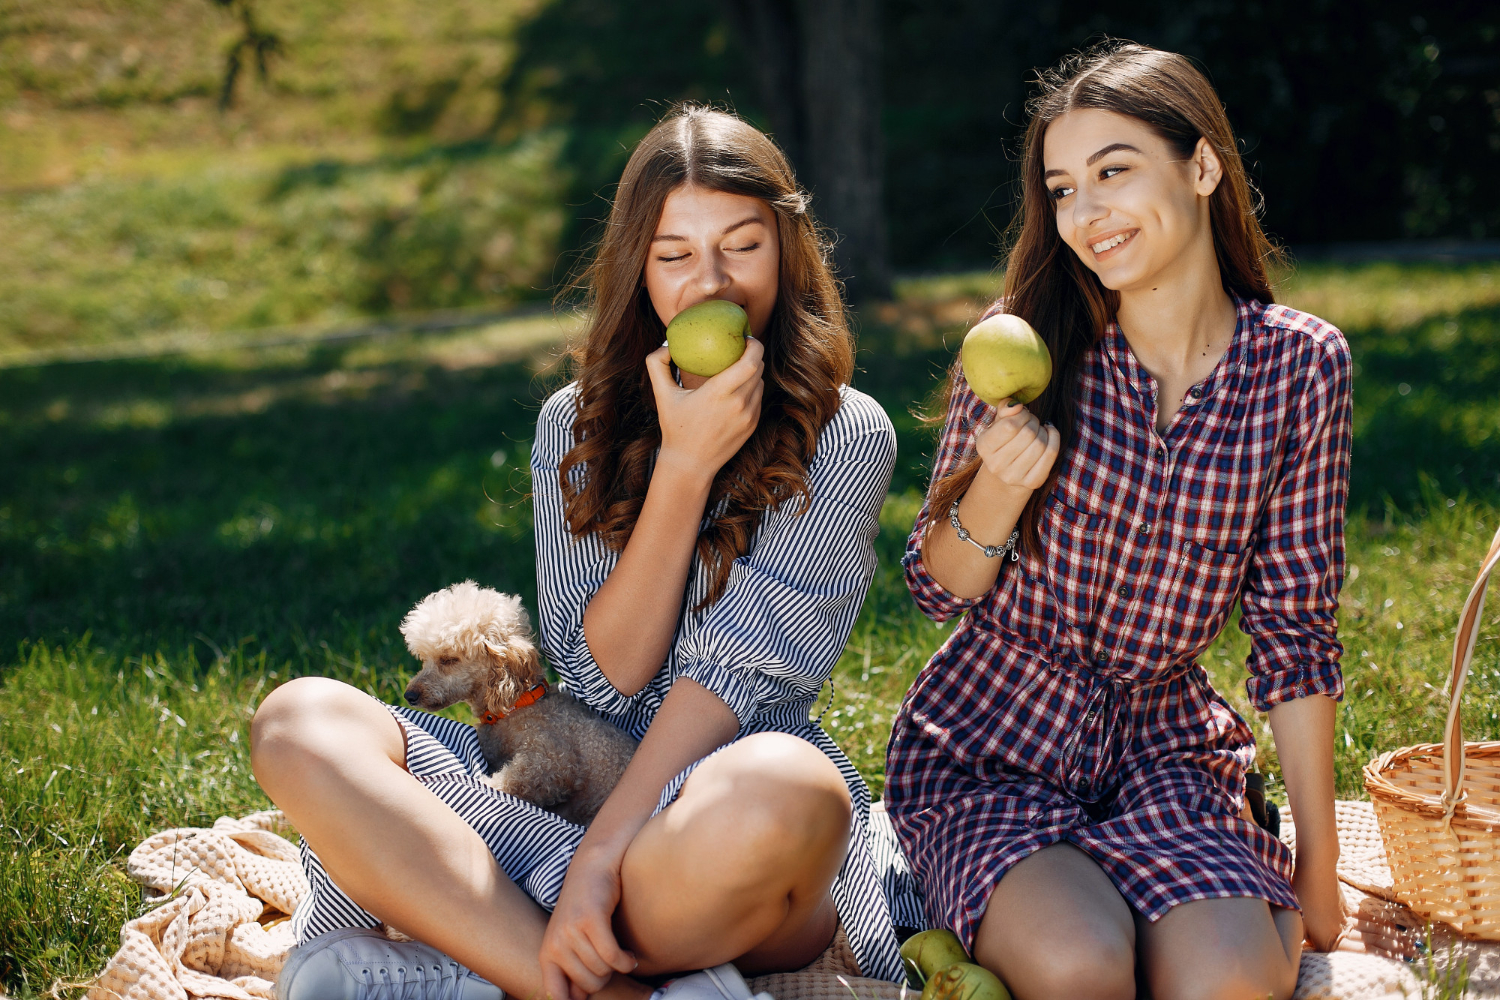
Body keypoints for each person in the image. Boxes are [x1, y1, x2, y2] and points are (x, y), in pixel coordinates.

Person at [252, 104, 921, 1000]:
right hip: (559, 797)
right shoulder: (574, 424)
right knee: (302, 720)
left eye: (742, 245)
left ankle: (476, 952)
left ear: (788, 251)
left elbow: (732, 686)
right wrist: (682, 468)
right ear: (638, 269)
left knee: (794, 788)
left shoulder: (845, 431)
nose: (710, 283)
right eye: (675, 255)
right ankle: (591, 986)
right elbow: (605, 672)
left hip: (708, 829)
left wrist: (607, 857)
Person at [885, 42, 1351, 1000]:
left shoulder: (1301, 368)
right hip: (990, 745)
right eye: (1062, 189)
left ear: (1203, 166)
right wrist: (999, 493)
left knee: (1222, 981)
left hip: (1165, 750)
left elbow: (1295, 632)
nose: (1086, 214)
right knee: (1079, 965)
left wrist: (1319, 863)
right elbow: (937, 587)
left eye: (1113, 173)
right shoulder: (1030, 340)